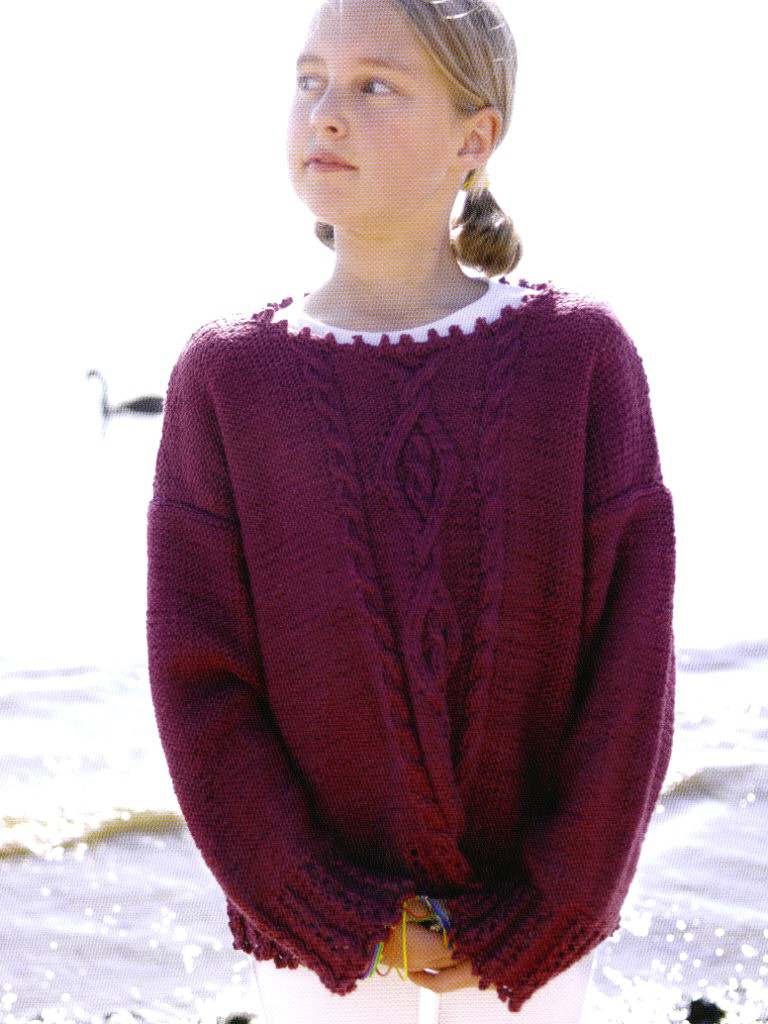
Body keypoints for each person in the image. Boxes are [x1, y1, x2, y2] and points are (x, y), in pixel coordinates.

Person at [145, 0, 677, 1021]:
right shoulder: (228, 378)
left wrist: (551, 910)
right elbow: (199, 682)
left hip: (532, 947)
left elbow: (632, 667)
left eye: (375, 85)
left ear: (475, 137)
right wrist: (339, 912)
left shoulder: (578, 359)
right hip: (321, 954)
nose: (326, 113)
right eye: (310, 80)